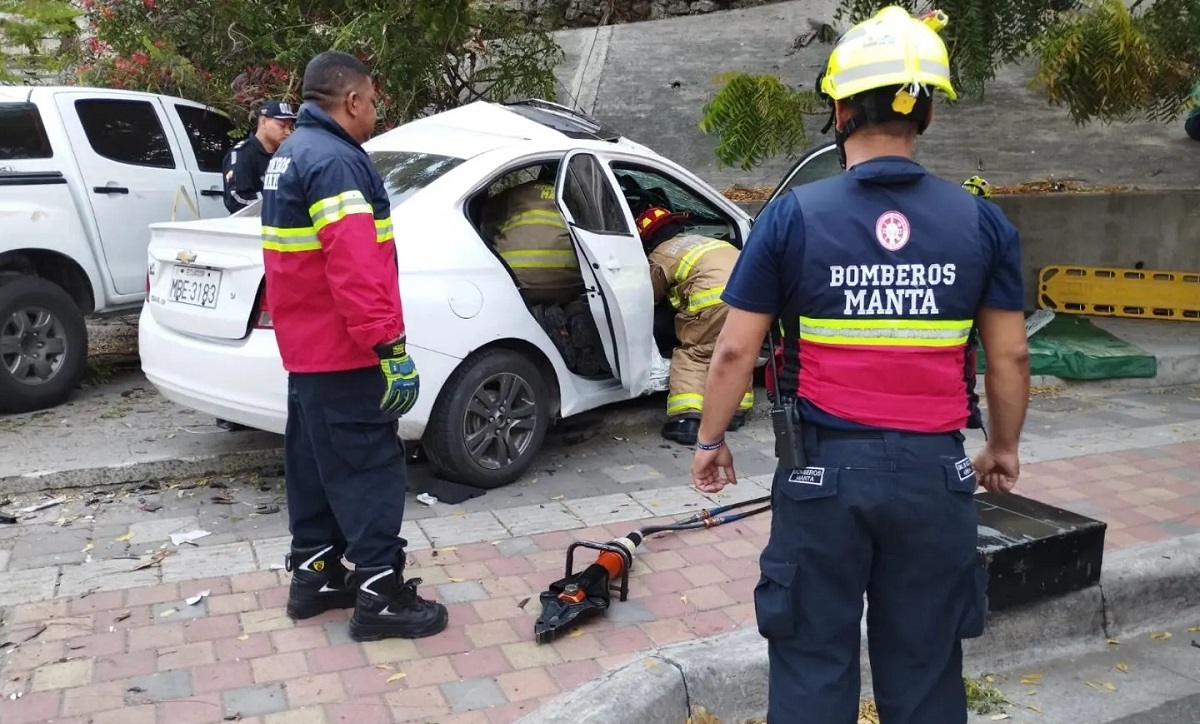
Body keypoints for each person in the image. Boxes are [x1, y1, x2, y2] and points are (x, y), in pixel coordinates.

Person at [688, 7, 1031, 724]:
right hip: (936, 482)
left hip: (822, 484)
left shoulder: (793, 217)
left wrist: (712, 440)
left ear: (840, 111)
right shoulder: (981, 223)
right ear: (927, 112)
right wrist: (1000, 447)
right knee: (927, 673)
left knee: (813, 666)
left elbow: (732, 349)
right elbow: (1010, 354)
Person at [259, 50, 448, 642]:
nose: (375, 114)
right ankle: (379, 596)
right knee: (367, 467)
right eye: (373, 102)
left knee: (315, 464)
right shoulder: (337, 162)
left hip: (308, 352)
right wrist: (390, 348)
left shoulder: (290, 155)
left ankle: (314, 579)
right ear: (353, 100)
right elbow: (355, 266)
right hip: (346, 352)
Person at [636, 206, 753, 445]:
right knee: (735, 349)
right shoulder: (706, 241)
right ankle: (734, 412)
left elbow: (647, 297)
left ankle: (686, 420)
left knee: (696, 353)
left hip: (711, 302)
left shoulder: (661, 254)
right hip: (748, 297)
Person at [222, 100, 297, 214]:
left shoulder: (288, 154)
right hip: (251, 228)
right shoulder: (242, 154)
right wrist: (277, 200)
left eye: (290, 127)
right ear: (263, 122)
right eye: (282, 125)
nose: (288, 132)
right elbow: (237, 200)